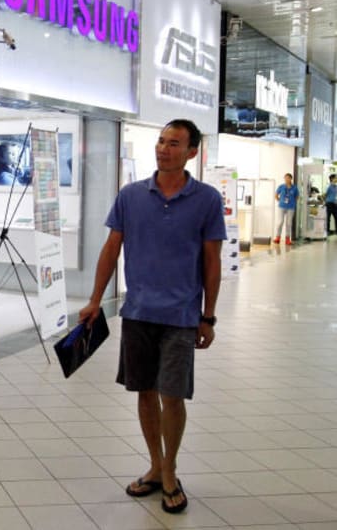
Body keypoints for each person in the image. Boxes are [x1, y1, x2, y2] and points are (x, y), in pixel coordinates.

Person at [78, 119, 226, 515]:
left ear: (191, 152)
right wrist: (95, 300)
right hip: (138, 312)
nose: (163, 148)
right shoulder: (131, 195)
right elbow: (111, 248)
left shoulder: (207, 199)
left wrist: (208, 317)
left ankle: (171, 471)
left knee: (172, 395)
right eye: (161, 141)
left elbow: (212, 262)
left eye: (174, 143)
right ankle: (156, 466)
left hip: (181, 315)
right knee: (144, 392)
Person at [273, 173, 299, 245]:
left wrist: (293, 202)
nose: (286, 179)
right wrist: (280, 201)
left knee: (288, 223)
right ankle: (278, 237)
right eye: (285, 178)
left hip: (291, 207)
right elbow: (276, 195)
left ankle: (287, 239)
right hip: (282, 207)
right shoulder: (281, 186)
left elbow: (297, 197)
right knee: (280, 222)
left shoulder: (295, 188)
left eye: (288, 178)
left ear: (291, 179)